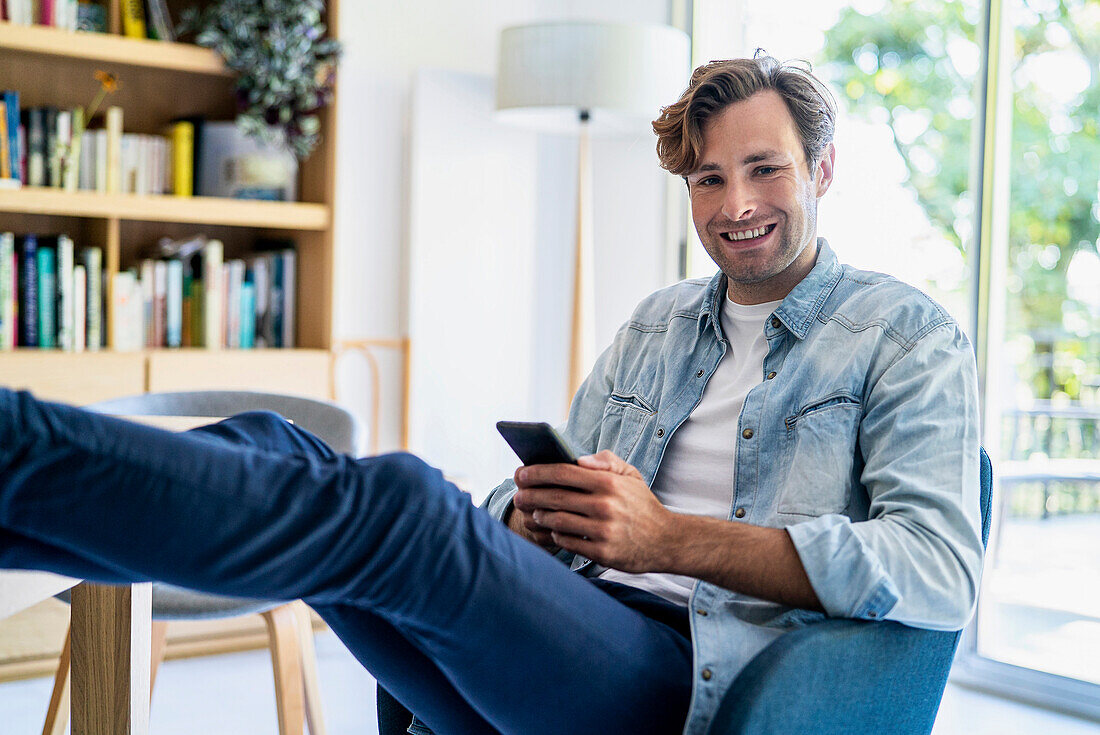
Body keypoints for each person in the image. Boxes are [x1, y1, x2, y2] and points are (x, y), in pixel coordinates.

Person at [0, 53, 982, 735]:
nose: (734, 207)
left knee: (398, 511)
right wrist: (527, 520)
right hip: (569, 624)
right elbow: (561, 497)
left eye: (764, 170)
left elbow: (939, 567)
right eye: (706, 179)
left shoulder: (904, 336)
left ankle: (16, 447)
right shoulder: (657, 323)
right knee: (274, 441)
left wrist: (663, 540)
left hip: (691, 685)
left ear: (820, 168)